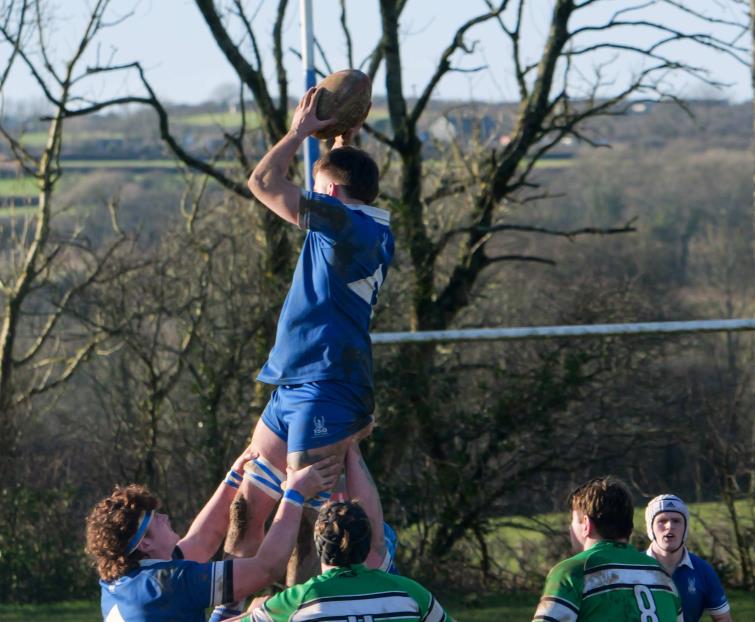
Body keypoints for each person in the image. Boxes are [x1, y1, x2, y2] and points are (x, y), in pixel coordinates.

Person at [238, 86, 394, 576]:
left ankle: (307, 611)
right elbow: (336, 182)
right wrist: (343, 140)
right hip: (296, 383)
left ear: (327, 193)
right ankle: (227, 610)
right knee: (247, 507)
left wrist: (299, 132)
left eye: (315, 183)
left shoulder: (344, 224)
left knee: (308, 527)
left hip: (327, 387)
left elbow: (262, 181)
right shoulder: (359, 222)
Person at [85, 446, 340, 622]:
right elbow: (267, 568)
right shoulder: (170, 584)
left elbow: (201, 541)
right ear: (145, 542)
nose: (164, 517)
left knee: (245, 606)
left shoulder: (122, 581)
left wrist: (232, 479)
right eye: (155, 519)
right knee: (264, 610)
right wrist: (295, 495)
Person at [229, 499, 449, 622]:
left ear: (318, 547)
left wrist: (252, 612)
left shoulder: (300, 599)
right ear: (367, 544)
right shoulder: (410, 592)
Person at [533, 476, 683, 622]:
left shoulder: (574, 572)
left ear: (586, 524)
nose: (569, 529)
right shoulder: (662, 575)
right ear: (629, 526)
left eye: (573, 521)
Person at [645, 494, 732, 622]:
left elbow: (722, 618)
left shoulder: (703, 570)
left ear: (685, 528)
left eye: (676, 520)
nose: (669, 526)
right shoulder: (631, 567)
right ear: (650, 528)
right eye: (662, 521)